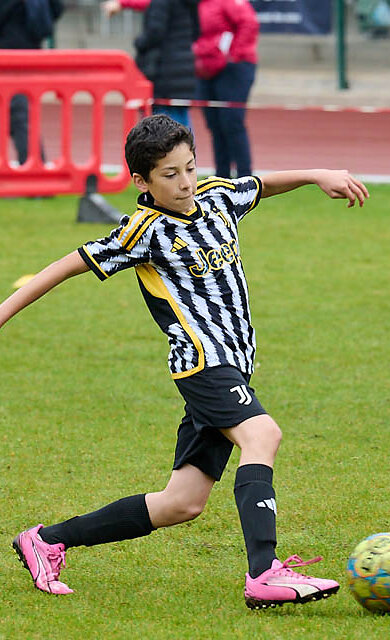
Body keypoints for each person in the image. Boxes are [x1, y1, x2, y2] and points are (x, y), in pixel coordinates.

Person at [4, 114, 369, 608]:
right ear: (142, 181)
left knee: (182, 503)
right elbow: (64, 267)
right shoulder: (143, 231)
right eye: (170, 174)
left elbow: (260, 185)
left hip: (234, 364)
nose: (185, 182)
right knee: (263, 435)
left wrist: (317, 175)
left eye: (190, 167)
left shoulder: (217, 198)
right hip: (204, 364)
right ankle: (265, 573)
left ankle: (46, 540)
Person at [193, 0, 259, 178]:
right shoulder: (196, 4)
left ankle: (245, 177)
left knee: (232, 122)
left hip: (233, 68)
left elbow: (249, 23)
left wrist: (232, 55)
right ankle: (221, 177)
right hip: (206, 69)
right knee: (214, 124)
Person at [0, 0, 63, 166]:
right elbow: (56, 9)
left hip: (9, 56)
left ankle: (34, 166)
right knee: (20, 115)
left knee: (19, 115)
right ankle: (35, 165)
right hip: (29, 53)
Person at [133, 0, 200, 127]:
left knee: (160, 123)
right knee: (181, 119)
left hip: (164, 69)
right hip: (184, 66)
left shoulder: (161, 2)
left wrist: (138, 42)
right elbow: (196, 31)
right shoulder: (189, 3)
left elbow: (155, 32)